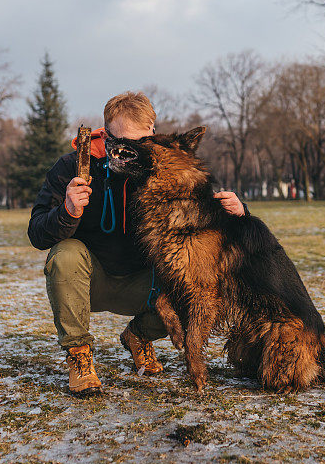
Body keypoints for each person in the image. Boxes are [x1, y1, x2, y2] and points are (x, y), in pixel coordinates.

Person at [27, 91, 248, 396]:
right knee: (64, 254)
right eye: (120, 143)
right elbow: (36, 234)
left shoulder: (163, 167)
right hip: (90, 280)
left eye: (140, 142)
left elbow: (201, 219)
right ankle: (79, 356)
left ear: (152, 134)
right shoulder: (71, 167)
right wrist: (67, 211)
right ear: (105, 136)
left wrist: (239, 214)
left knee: (201, 285)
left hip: (147, 285)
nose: (129, 151)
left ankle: (138, 336)